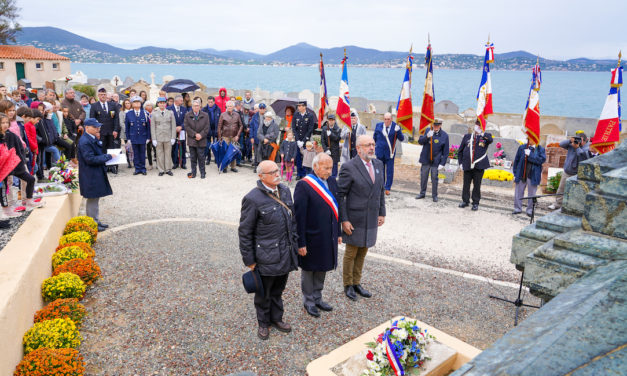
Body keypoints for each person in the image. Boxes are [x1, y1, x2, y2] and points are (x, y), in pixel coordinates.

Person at [238, 160, 298, 340]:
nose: (277, 173)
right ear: (261, 176)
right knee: (263, 293)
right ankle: (263, 323)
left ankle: (276, 318)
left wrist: (295, 245)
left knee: (278, 290)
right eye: (272, 172)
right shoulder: (252, 198)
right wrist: (249, 259)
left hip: (285, 253)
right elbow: (245, 231)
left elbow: (292, 220)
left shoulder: (285, 191)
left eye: (277, 170)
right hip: (266, 256)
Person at [337, 135, 386, 300]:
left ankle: (357, 282)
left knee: (363, 251)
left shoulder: (378, 164)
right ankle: (348, 285)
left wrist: (382, 212)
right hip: (354, 218)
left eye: (372, 144)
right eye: (367, 145)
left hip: (371, 217)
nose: (371, 148)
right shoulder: (349, 167)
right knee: (351, 252)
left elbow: (380, 190)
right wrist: (344, 219)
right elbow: (340, 195)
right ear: (358, 148)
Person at [294, 153, 341, 317]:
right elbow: (299, 217)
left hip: (328, 236)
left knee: (323, 266)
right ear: (315, 167)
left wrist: (338, 232)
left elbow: (337, 208)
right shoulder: (304, 185)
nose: (330, 171)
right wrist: (301, 242)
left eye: (331, 167)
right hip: (311, 236)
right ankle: (308, 300)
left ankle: (318, 297)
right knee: (309, 270)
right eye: (326, 168)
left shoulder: (333, 182)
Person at [77, 118, 116, 232]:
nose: (98, 128)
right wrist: (108, 157)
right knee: (92, 198)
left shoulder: (90, 137)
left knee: (95, 198)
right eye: (95, 127)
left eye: (98, 126)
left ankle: (95, 221)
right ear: (87, 127)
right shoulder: (85, 141)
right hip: (90, 173)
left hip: (94, 172)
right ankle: (92, 223)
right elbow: (90, 159)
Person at [457, 120, 493, 211]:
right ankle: (465, 201)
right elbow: (460, 151)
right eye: (477, 125)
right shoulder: (467, 136)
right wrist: (460, 163)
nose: (478, 127)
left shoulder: (485, 137)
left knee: (477, 185)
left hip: (479, 166)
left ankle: (475, 203)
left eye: (480, 125)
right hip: (467, 165)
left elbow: (491, 140)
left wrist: (482, 133)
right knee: (466, 184)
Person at [548, 131, 590, 210]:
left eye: (581, 141)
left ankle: (570, 207)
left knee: (574, 191)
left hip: (577, 174)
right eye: (578, 140)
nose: (579, 142)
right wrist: (570, 141)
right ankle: (557, 204)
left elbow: (583, 157)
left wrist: (577, 148)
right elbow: (561, 144)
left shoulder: (587, 148)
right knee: (561, 189)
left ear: (585, 140)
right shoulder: (572, 144)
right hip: (567, 171)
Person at [416, 118, 449, 202]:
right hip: (426, 159)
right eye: (434, 125)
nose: (436, 127)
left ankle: (434, 195)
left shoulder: (444, 135)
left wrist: (442, 163)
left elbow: (445, 152)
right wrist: (427, 136)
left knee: (434, 178)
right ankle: (422, 193)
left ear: (440, 125)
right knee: (424, 177)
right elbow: (420, 141)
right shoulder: (427, 130)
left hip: (436, 161)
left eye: (437, 125)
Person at [373, 112, 405, 195]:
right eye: (385, 119)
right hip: (379, 152)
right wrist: (374, 147)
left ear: (391, 119)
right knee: (380, 170)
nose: (386, 121)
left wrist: (398, 132)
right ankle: (381, 186)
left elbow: (401, 139)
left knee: (389, 171)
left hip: (390, 152)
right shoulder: (379, 125)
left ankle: (387, 188)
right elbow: (375, 137)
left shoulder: (396, 126)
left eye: (388, 119)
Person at [90, 88, 120, 173]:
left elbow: (116, 119)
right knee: (102, 149)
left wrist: (115, 130)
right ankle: (104, 166)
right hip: (101, 132)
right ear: (98, 96)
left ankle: (112, 166)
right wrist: (96, 132)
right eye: (101, 94)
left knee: (111, 148)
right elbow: (93, 120)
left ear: (106, 95)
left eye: (104, 94)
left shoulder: (112, 105)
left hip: (111, 131)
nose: (103, 96)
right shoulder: (94, 106)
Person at [513, 141, 546, 216]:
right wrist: (515, 173)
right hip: (521, 174)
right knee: (518, 192)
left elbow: (541, 160)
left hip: (533, 175)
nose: (529, 140)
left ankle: (530, 210)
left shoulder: (540, 149)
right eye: (528, 137)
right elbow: (516, 160)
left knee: (532, 193)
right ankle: (517, 208)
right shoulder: (522, 147)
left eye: (531, 138)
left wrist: (530, 155)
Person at [150, 97, 176, 177]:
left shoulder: (170, 113)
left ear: (165, 104)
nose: (162, 104)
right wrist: (154, 139)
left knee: (168, 153)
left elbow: (173, 125)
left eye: (163, 103)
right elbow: (153, 127)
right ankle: (161, 169)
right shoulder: (154, 113)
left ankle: (168, 169)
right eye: (160, 103)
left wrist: (173, 137)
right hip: (158, 137)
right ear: (158, 104)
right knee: (159, 153)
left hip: (168, 136)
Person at [125, 96, 151, 175]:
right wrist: (128, 138)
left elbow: (148, 127)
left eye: (138, 102)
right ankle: (137, 168)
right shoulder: (128, 114)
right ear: (132, 104)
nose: (137, 104)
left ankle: (143, 168)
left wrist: (148, 137)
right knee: (135, 153)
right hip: (133, 137)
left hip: (143, 136)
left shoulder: (145, 113)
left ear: (141, 103)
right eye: (135, 102)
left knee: (142, 153)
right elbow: (127, 127)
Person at [184, 100, 210, 179]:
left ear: (200, 106)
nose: (196, 107)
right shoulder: (187, 115)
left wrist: (201, 135)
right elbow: (187, 127)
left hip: (201, 139)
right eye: (194, 105)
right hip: (192, 139)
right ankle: (194, 172)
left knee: (201, 157)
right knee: (193, 158)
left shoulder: (205, 115)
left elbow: (207, 127)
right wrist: (195, 134)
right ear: (192, 107)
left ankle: (202, 173)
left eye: (197, 105)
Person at [291, 100, 316, 180]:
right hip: (298, 140)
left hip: (306, 141)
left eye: (300, 106)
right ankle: (299, 173)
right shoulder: (296, 114)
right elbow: (294, 128)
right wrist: (298, 140)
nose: (299, 107)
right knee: (298, 157)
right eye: (298, 106)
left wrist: (304, 141)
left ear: (305, 106)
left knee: (306, 158)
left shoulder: (310, 115)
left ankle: (306, 174)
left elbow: (310, 129)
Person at [217, 100, 243, 173]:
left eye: (230, 106)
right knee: (225, 152)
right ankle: (225, 166)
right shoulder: (223, 115)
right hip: (225, 136)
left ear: (233, 107)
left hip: (234, 136)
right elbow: (219, 126)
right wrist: (220, 137)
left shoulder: (237, 115)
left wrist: (238, 135)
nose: (229, 107)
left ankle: (233, 166)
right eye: (228, 106)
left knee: (233, 151)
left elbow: (241, 125)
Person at [167, 95, 187, 169]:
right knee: (174, 147)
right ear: (176, 101)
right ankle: (175, 163)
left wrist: (181, 127)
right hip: (172, 131)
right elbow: (167, 120)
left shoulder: (184, 109)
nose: (182, 102)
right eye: (181, 100)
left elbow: (186, 120)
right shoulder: (169, 109)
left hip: (182, 131)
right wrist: (174, 127)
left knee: (183, 147)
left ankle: (183, 163)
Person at [202, 96, 221, 165]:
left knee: (216, 145)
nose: (210, 103)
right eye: (209, 102)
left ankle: (216, 158)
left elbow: (220, 120)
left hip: (215, 129)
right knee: (208, 145)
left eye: (211, 102)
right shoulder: (204, 109)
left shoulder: (218, 109)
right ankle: (208, 158)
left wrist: (219, 130)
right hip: (207, 130)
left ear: (214, 102)